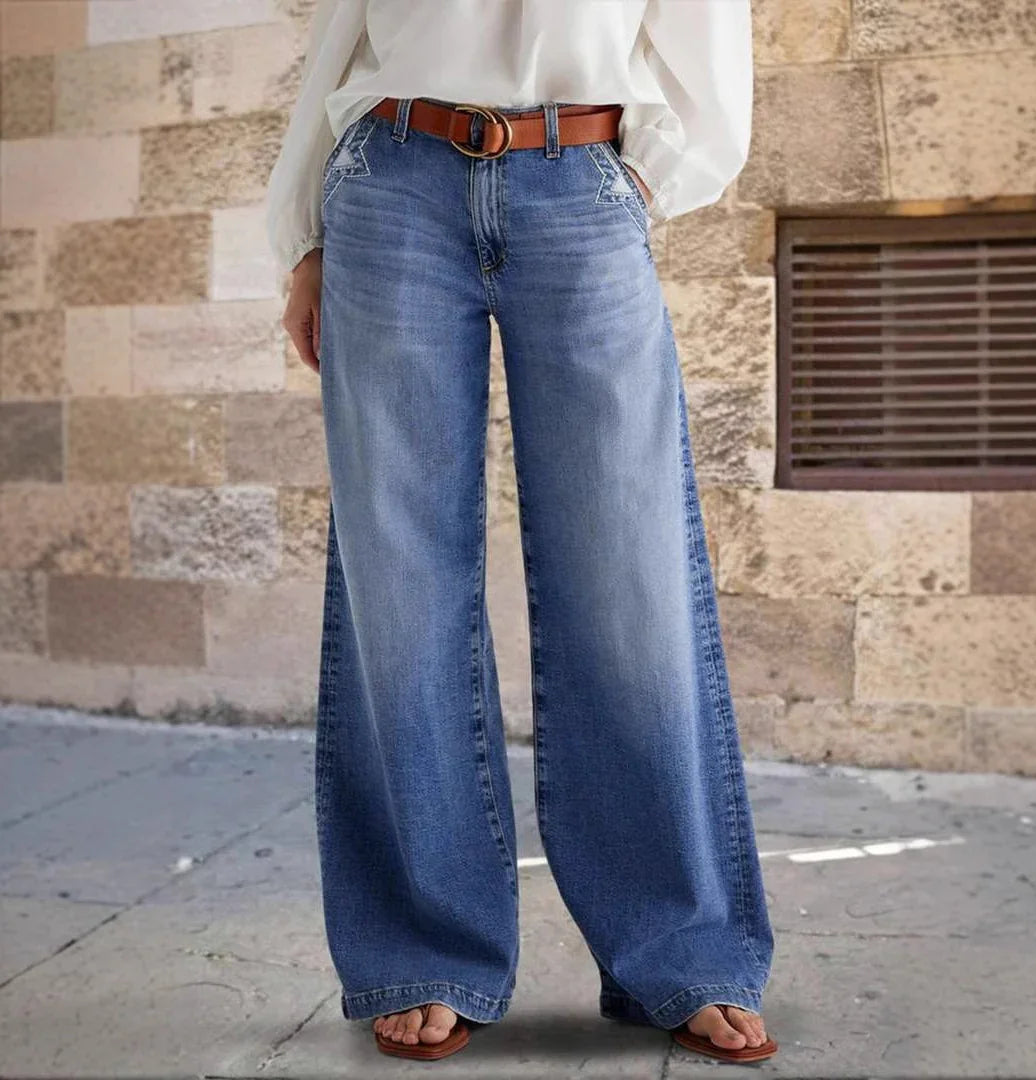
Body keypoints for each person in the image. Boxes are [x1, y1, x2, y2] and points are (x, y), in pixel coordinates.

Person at [264, 0, 777, 1064]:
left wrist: (642, 181)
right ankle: (427, 946)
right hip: (390, 183)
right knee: (397, 584)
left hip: (580, 177)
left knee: (629, 576)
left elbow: (705, 56)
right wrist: (305, 235)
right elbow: (341, 41)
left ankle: (679, 949)